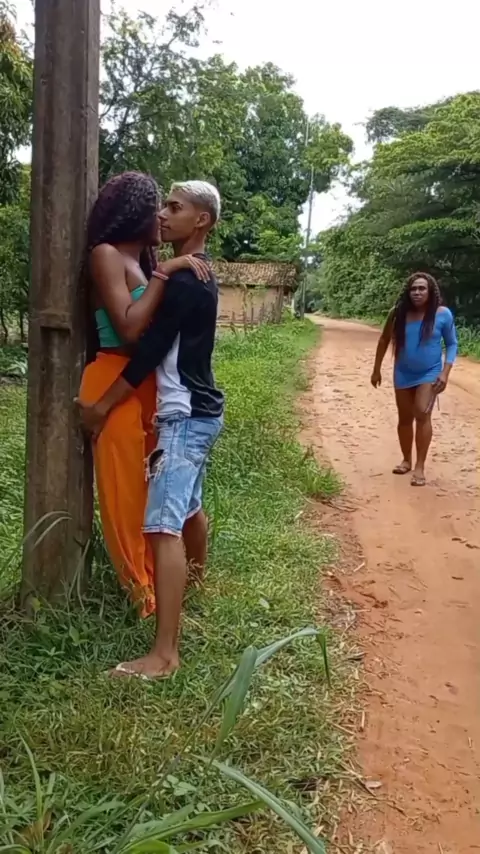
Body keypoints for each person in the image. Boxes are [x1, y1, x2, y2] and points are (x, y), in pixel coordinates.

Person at [77, 180, 224, 678]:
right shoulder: (188, 271)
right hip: (189, 406)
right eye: (159, 205)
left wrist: (103, 406)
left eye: (173, 207)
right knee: (186, 509)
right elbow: (135, 338)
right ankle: (187, 593)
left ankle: (164, 654)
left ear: (201, 220)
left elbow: (147, 351)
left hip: (181, 411)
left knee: (162, 525)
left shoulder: (183, 276)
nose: (162, 214)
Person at [370, 272, 458, 486]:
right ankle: (406, 460)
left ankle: (419, 467)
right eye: (413, 289)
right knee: (404, 418)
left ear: (431, 291)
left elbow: (452, 344)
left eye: (422, 288)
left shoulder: (442, 314)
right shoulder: (397, 313)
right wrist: (376, 369)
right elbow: (384, 340)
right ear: (408, 292)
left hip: (429, 372)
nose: (417, 292)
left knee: (422, 413)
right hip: (402, 372)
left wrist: (445, 372)